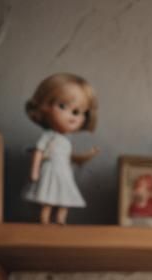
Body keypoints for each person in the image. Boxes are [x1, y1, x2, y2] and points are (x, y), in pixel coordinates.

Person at [23, 72, 100, 225]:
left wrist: (87, 155)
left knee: (65, 195)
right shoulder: (48, 137)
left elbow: (69, 157)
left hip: (64, 171)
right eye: (63, 106)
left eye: (77, 112)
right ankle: (45, 219)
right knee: (48, 195)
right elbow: (38, 152)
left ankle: (60, 219)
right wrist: (34, 171)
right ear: (45, 106)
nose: (72, 116)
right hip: (51, 170)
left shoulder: (66, 141)